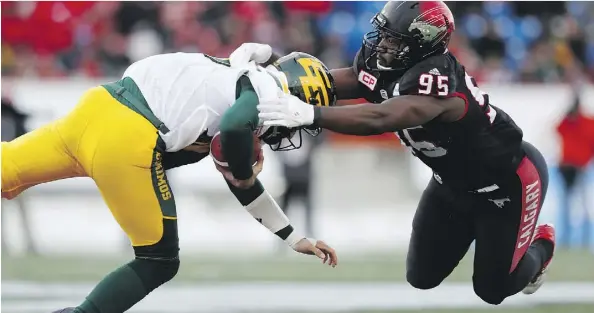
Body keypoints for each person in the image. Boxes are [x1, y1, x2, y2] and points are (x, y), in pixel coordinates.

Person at [244, 0, 555, 305]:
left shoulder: (439, 82)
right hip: (451, 185)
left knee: (492, 290)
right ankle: (484, 235)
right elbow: (346, 81)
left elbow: (381, 117)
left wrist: (311, 114)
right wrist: (276, 80)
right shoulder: (386, 61)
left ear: (422, 44)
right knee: (421, 277)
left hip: (505, 185)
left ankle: (540, 246)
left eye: (395, 39)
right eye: (384, 34)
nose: (383, 44)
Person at [1, 51, 339, 313]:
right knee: (159, 260)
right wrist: (242, 168)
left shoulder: (231, 70)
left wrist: (292, 237)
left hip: (95, 108)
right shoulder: (263, 93)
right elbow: (236, 131)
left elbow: (233, 151)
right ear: (294, 93)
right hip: (127, 139)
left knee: (6, 167)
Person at [556, 92, 594, 247]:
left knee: (583, 205)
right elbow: (558, 130)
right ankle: (566, 238)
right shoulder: (568, 122)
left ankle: (584, 239)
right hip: (567, 167)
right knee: (566, 205)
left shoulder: (587, 122)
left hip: (580, 167)